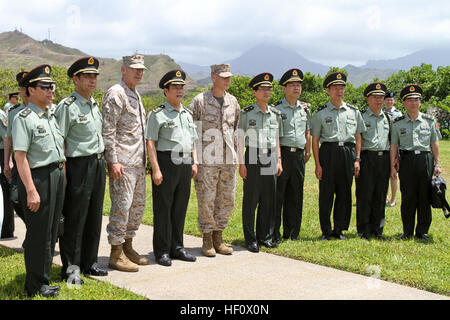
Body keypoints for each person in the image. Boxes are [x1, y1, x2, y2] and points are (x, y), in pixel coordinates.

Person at [12, 64, 66, 297]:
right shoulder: (23, 118)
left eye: (51, 86)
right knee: (37, 234)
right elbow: (20, 157)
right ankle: (34, 285)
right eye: (44, 86)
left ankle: (43, 278)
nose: (50, 90)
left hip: (56, 175)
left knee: (52, 230)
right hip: (38, 178)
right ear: (31, 90)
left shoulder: (49, 116)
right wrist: (31, 190)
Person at [55, 57, 108, 284]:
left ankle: (90, 262)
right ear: (75, 79)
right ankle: (71, 269)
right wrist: (64, 173)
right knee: (76, 219)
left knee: (94, 217)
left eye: (95, 76)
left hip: (97, 163)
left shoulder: (94, 105)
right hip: (77, 165)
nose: (92, 80)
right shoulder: (67, 107)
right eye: (87, 76)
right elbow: (60, 142)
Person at [146, 69, 198, 266]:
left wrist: (195, 161)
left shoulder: (187, 114)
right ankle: (162, 251)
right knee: (163, 208)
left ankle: (177, 247)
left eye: (181, 87)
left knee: (180, 207)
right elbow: (150, 142)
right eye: (175, 87)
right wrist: (156, 169)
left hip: (184, 162)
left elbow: (193, 140)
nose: (179, 91)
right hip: (166, 161)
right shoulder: (157, 114)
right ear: (165, 91)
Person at [102, 54, 148, 272]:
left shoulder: (135, 94)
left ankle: (128, 246)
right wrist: (113, 161)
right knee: (121, 208)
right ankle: (116, 254)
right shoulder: (116, 93)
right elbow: (108, 130)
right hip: (123, 163)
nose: (139, 73)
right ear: (123, 70)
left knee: (137, 208)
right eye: (134, 69)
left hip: (137, 163)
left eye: (141, 70)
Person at [189, 64, 240, 257]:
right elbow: (192, 132)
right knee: (206, 200)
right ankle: (207, 239)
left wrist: (238, 157)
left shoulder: (233, 102)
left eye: (229, 76)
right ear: (213, 77)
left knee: (227, 199)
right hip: (207, 160)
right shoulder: (200, 101)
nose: (227, 80)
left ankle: (219, 236)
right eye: (223, 76)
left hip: (228, 159)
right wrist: (194, 158)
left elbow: (236, 130)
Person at [311, 72, 366, 240]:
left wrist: (357, 159)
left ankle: (339, 229)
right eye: (335, 88)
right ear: (328, 90)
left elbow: (358, 136)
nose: (339, 91)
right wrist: (318, 164)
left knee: (344, 192)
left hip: (347, 153)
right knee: (326, 193)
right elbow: (315, 140)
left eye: (341, 88)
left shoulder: (353, 111)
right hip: (328, 152)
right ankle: (326, 231)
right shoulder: (320, 112)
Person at [238, 72, 283, 253]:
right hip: (252, 156)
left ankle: (265, 236)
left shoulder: (275, 114)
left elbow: (277, 139)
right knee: (251, 200)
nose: (266, 92)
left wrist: (279, 160)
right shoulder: (247, 113)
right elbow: (240, 139)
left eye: (268, 89)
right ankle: (251, 239)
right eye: (262, 89)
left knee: (268, 199)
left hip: (270, 156)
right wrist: (241, 163)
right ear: (254, 92)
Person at [390, 84, 442, 241]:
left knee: (424, 196)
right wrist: (393, 164)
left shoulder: (429, 121)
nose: (414, 103)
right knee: (407, 196)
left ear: (420, 102)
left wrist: (437, 163)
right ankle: (407, 231)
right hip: (406, 160)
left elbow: (434, 143)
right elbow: (394, 145)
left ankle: (422, 231)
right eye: (410, 100)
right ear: (404, 103)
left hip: (425, 160)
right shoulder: (397, 123)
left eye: (416, 100)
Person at [273, 68, 311, 243]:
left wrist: (308, 150)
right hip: (284, 155)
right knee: (278, 195)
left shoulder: (305, 109)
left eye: (298, 85)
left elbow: (307, 132)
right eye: (292, 85)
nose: (296, 88)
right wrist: (278, 158)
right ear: (284, 88)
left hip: (299, 156)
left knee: (296, 195)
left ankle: (293, 232)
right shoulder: (277, 110)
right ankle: (275, 233)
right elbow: (275, 137)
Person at [356, 82, 390, 240]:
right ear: (367, 99)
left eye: (381, 97)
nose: (378, 100)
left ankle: (378, 229)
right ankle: (364, 229)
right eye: (375, 97)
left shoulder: (388, 118)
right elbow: (358, 139)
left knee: (380, 194)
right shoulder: (362, 117)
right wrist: (357, 159)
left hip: (384, 158)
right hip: (367, 157)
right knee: (365, 194)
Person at [3, 72, 28, 225]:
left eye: (27, 86)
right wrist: (6, 162)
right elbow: (8, 137)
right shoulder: (14, 111)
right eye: (22, 86)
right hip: (18, 160)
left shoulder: (46, 108)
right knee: (15, 198)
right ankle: (33, 229)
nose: (24, 90)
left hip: (36, 159)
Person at [384, 91, 402, 207]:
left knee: (393, 174)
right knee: (384, 173)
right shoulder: (381, 112)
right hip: (385, 146)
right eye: (387, 100)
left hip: (394, 146)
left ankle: (393, 199)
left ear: (394, 101)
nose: (389, 101)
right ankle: (385, 197)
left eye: (391, 100)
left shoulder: (398, 114)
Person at [0, 103, 14, 239]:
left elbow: (6, 138)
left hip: (2, 153)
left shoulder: (0, 115)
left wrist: (7, 160)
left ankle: (6, 229)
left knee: (5, 193)